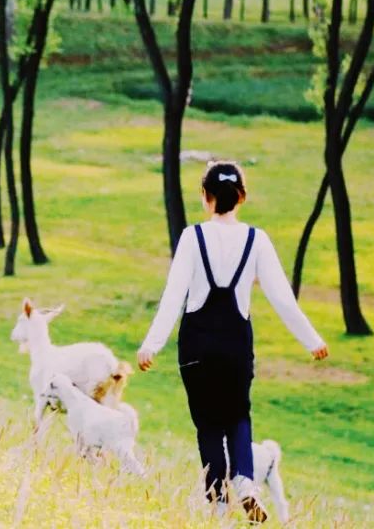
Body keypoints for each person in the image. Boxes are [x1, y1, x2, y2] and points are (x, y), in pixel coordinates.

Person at [136, 162, 328, 523]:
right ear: (242, 196)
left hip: (196, 345)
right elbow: (282, 298)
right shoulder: (257, 240)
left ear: (205, 197)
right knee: (238, 414)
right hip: (236, 345)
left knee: (208, 423)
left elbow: (173, 296)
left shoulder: (193, 237)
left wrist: (152, 344)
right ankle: (244, 480)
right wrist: (311, 340)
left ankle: (218, 505)